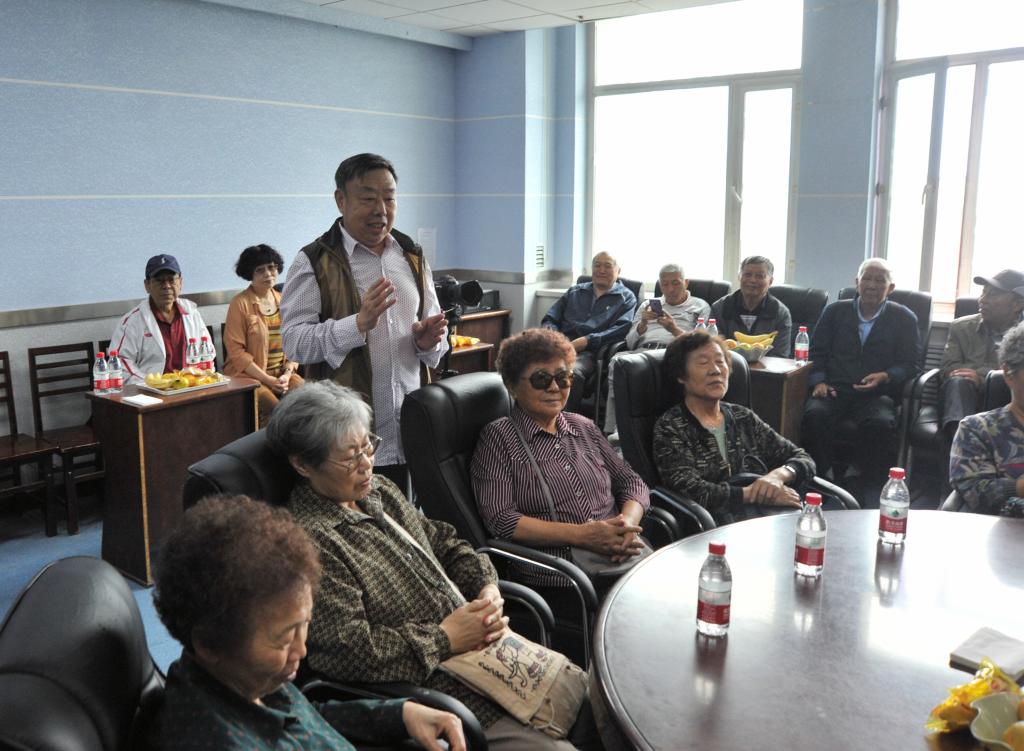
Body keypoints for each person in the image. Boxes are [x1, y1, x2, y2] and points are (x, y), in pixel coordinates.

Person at [266, 381, 601, 751]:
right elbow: (346, 652)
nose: (366, 464)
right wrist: (445, 638)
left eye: (368, 447)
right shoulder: (311, 543)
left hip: (490, 655)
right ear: (302, 464)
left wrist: (486, 587)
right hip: (437, 691)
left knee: (598, 704)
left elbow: (445, 542)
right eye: (349, 458)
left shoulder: (379, 491)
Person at [148, 493, 465, 750]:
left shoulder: (244, 680)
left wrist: (399, 715)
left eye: (305, 626)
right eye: (284, 639)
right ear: (209, 643)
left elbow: (304, 718)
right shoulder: (216, 739)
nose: (301, 650)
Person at [280, 153, 448, 489]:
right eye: (368, 198)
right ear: (340, 200)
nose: (381, 210)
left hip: (412, 433)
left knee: (407, 516)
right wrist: (356, 324)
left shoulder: (411, 255)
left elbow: (434, 341)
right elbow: (294, 343)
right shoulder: (314, 260)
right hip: (347, 444)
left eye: (389, 198)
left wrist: (427, 341)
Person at [471, 328, 649, 590]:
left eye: (563, 378)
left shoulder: (583, 426)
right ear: (512, 385)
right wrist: (583, 535)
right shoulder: (499, 438)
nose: (554, 387)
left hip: (624, 557)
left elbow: (631, 482)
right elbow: (501, 519)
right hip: (562, 574)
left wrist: (626, 526)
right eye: (541, 379)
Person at [653, 332, 809, 525]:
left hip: (763, 522)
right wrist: (753, 494)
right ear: (680, 375)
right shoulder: (671, 426)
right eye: (703, 363)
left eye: (720, 362)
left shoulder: (743, 417)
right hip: (709, 528)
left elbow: (802, 457)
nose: (715, 370)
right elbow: (690, 489)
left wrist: (778, 476)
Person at [800, 258, 921, 504]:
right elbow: (816, 351)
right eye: (867, 278)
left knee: (880, 423)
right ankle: (824, 475)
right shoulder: (834, 312)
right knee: (814, 415)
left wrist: (886, 375)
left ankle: (858, 476)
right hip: (834, 389)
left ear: (891, 287)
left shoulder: (904, 318)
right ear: (857, 282)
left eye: (880, 280)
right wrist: (819, 381)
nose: (872, 285)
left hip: (876, 394)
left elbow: (911, 364)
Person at [603, 263, 710, 436]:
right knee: (617, 361)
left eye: (675, 283)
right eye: (665, 284)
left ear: (686, 282)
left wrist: (674, 329)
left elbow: (702, 345)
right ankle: (614, 429)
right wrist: (643, 324)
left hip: (672, 353)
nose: (670, 289)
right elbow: (630, 343)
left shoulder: (700, 306)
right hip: (642, 352)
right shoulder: (648, 305)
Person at [541, 252, 637, 413]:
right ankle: (526, 421)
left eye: (607, 266)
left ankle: (564, 423)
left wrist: (587, 341)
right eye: (597, 265)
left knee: (569, 373)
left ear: (618, 271)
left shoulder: (626, 298)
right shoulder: (575, 292)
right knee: (526, 366)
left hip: (589, 352)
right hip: (558, 346)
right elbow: (550, 318)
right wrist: (554, 338)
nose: (601, 270)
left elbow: (622, 329)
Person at [223, 244, 304, 426]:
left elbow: (295, 341)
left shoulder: (284, 300)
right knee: (275, 410)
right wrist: (267, 379)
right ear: (249, 274)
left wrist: (287, 374)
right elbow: (236, 353)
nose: (268, 274)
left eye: (271, 267)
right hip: (248, 376)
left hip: (283, 374)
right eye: (260, 270)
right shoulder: (239, 303)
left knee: (307, 401)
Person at [949, 321, 1024, 518]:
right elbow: (974, 492)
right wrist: (1019, 487)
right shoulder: (977, 429)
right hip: (1003, 532)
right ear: (1008, 373)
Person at [939, 268, 1024, 440]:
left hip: (1008, 402)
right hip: (963, 400)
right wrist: (985, 376)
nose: (982, 300)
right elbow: (949, 369)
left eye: (993, 294)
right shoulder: (960, 327)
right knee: (958, 382)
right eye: (983, 292)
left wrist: (982, 379)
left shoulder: (1021, 335)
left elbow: (1018, 377)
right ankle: (961, 441)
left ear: (1017, 304)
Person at [110, 254, 210, 384]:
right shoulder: (132, 322)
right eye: (159, 280)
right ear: (147, 285)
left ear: (180, 282)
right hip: (150, 391)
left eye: (171, 280)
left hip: (190, 387)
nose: (166, 286)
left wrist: (200, 379)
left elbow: (208, 352)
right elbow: (120, 363)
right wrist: (153, 384)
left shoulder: (192, 313)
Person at [710, 255, 792, 357]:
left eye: (759, 276)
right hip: (729, 365)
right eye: (747, 275)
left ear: (770, 281)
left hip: (767, 366)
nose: (753, 280)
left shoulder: (781, 313)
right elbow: (712, 349)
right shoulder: (720, 307)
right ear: (739, 277)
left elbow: (780, 355)